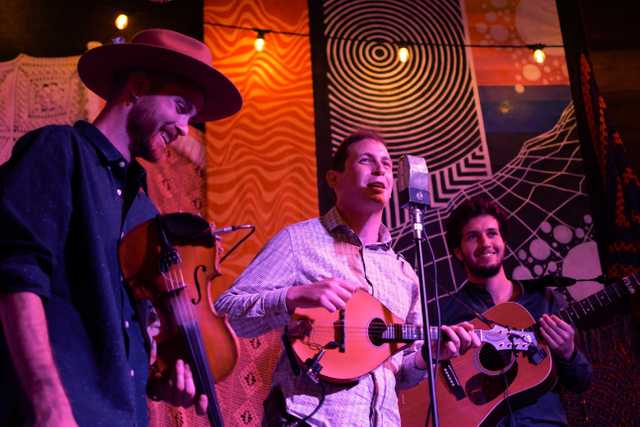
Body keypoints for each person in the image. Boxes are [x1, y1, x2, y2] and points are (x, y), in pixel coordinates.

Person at [0, 29, 242, 426]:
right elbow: (14, 274)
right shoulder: (60, 150)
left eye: (191, 117)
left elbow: (126, 333)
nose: (184, 128)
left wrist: (159, 382)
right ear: (138, 86)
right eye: (180, 107)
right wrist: (47, 399)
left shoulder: (144, 211)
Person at [214, 130, 480, 426]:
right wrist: (295, 297)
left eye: (388, 165)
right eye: (366, 161)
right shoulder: (299, 241)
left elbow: (400, 373)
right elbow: (227, 312)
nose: (380, 170)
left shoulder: (404, 274)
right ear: (333, 179)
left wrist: (427, 356)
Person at [439, 196, 592, 426]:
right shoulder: (448, 313)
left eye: (492, 233)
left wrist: (568, 352)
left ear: (503, 241)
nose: (485, 243)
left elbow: (581, 382)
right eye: (472, 237)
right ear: (458, 252)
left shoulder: (543, 300)